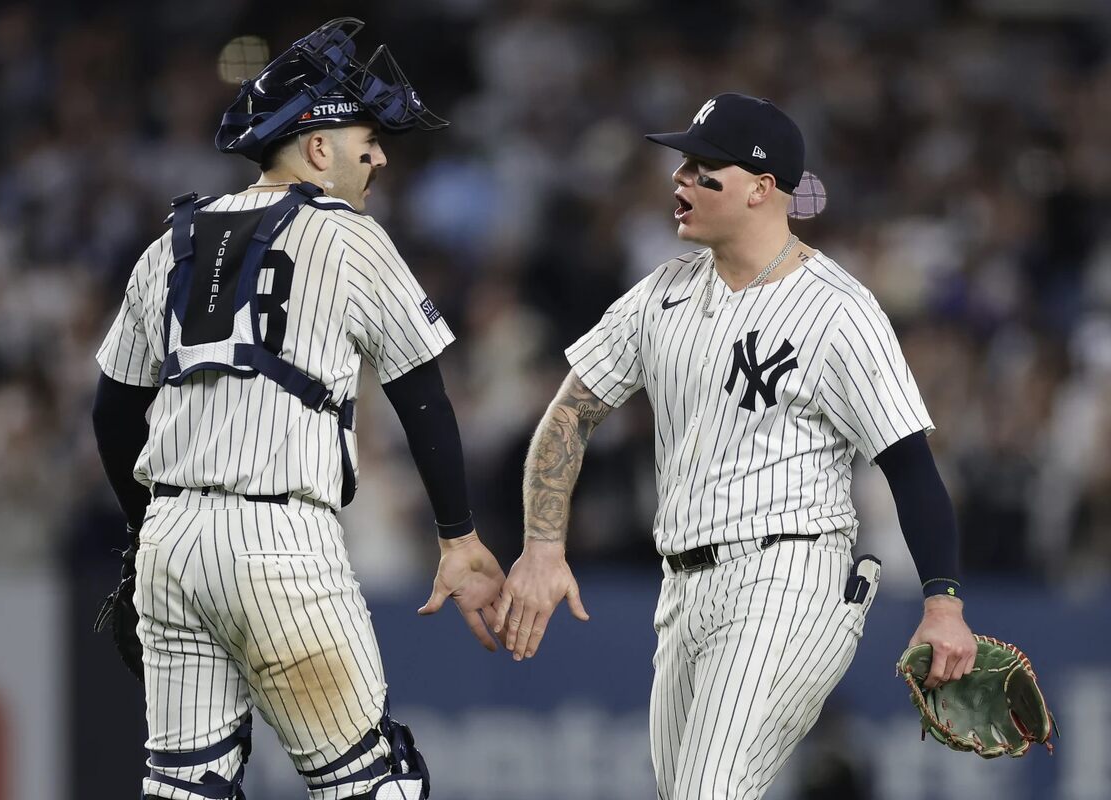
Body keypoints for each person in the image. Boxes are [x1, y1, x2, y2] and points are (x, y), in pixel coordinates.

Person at [494, 92, 977, 799]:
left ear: (760, 189)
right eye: (681, 165)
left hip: (790, 574)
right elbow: (569, 415)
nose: (679, 181)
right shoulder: (662, 293)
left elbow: (908, 465)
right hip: (683, 589)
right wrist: (542, 546)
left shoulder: (838, 310)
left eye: (701, 168)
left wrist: (944, 603)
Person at [90, 18, 504, 800]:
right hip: (281, 542)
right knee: (373, 781)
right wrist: (458, 535)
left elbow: (112, 412)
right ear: (318, 147)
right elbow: (422, 397)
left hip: (172, 546)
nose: (378, 153)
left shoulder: (168, 242)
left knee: (184, 787)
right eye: (365, 137)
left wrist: (146, 527)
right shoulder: (348, 236)